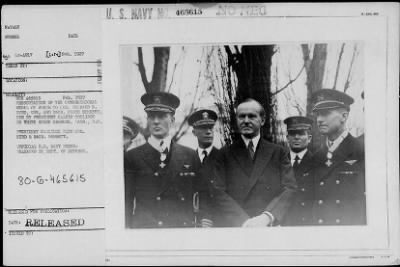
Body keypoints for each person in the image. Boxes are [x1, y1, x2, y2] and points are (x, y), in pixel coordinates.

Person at [124, 92, 212, 228]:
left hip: (181, 232)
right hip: (146, 231)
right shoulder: (132, 157)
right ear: (147, 120)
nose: (156, 121)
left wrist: (204, 217)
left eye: (162, 116)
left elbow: (204, 191)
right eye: (152, 116)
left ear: (172, 119)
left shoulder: (190, 155)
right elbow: (126, 201)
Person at [213, 98, 297, 227]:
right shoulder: (224, 154)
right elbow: (218, 192)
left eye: (251, 116)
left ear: (262, 120)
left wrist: (267, 217)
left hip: (268, 226)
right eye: (242, 116)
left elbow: (289, 188)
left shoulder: (278, 153)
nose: (246, 121)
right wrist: (243, 221)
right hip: (238, 227)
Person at [311, 89, 366, 225]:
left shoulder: (361, 151)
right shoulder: (316, 156)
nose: (319, 120)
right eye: (318, 114)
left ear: (344, 116)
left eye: (325, 114)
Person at [188, 108, 221, 226]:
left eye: (211, 128)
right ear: (194, 132)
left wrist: (212, 219)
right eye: (203, 128)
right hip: (193, 222)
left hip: (216, 222)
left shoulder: (224, 158)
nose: (208, 132)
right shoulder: (188, 158)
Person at [281, 116, 315, 226]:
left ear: (309, 138)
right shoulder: (277, 162)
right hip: (283, 222)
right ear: (287, 137)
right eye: (292, 133)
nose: (296, 137)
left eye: (301, 133)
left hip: (307, 222)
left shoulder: (317, 163)